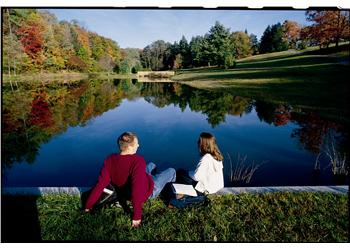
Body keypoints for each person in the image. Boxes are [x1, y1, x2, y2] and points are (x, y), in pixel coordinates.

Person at [84, 132, 176, 228]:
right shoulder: (138, 161)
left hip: (133, 185)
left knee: (152, 164)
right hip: (148, 190)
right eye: (137, 144)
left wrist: (88, 206)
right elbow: (137, 190)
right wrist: (137, 217)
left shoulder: (110, 159)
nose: (138, 145)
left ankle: (155, 175)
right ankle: (168, 195)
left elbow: (100, 184)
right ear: (130, 147)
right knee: (171, 171)